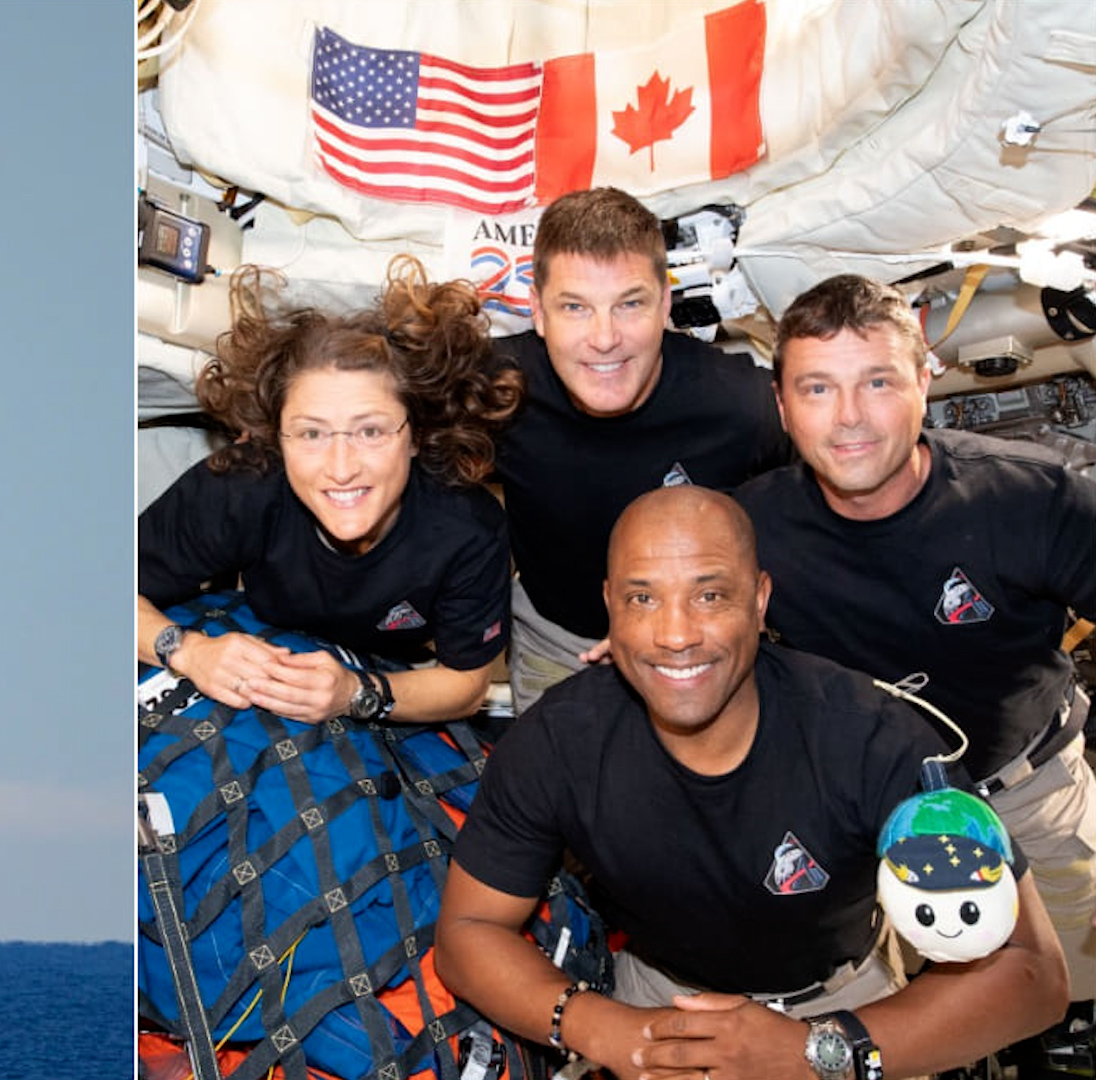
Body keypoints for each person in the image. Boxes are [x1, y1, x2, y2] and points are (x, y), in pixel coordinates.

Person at [435, 485, 1068, 1080]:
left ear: (760, 600)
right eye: (642, 598)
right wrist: (599, 1028)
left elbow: (1033, 972)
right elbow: (467, 933)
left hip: (847, 1005)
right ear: (609, 607)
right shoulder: (557, 740)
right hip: (656, 1005)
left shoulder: (873, 740)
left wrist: (814, 1050)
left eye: (709, 595)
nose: (675, 634)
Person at [734, 273, 1096, 1047]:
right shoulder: (750, 526)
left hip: (1029, 797)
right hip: (863, 816)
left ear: (926, 380)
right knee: (917, 1024)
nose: (850, 418)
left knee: (1069, 998)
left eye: (878, 381)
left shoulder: (1027, 497)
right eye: (818, 388)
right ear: (782, 405)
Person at [138, 254, 521, 723]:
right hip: (256, 648)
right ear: (276, 438)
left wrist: (355, 693)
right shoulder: (242, 486)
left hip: (388, 678)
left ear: (417, 435)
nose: (341, 469)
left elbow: (465, 684)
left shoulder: (467, 527)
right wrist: (187, 651)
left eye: (371, 431)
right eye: (312, 433)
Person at [492, 187, 791, 713]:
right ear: (538, 312)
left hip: (697, 644)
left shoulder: (740, 405)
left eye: (629, 304)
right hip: (560, 643)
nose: (604, 338)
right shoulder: (494, 391)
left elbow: (818, 511)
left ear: (665, 305)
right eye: (575, 307)